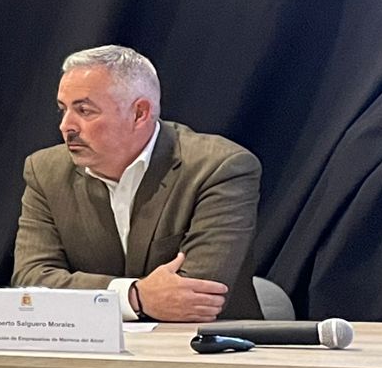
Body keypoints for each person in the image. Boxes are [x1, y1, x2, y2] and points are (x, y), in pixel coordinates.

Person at [13, 44, 262, 321]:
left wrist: (99, 296)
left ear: (139, 113)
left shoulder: (218, 168)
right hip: (90, 344)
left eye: (84, 110)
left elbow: (196, 294)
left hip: (206, 343)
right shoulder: (45, 171)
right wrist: (133, 296)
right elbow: (30, 281)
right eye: (63, 110)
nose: (66, 126)